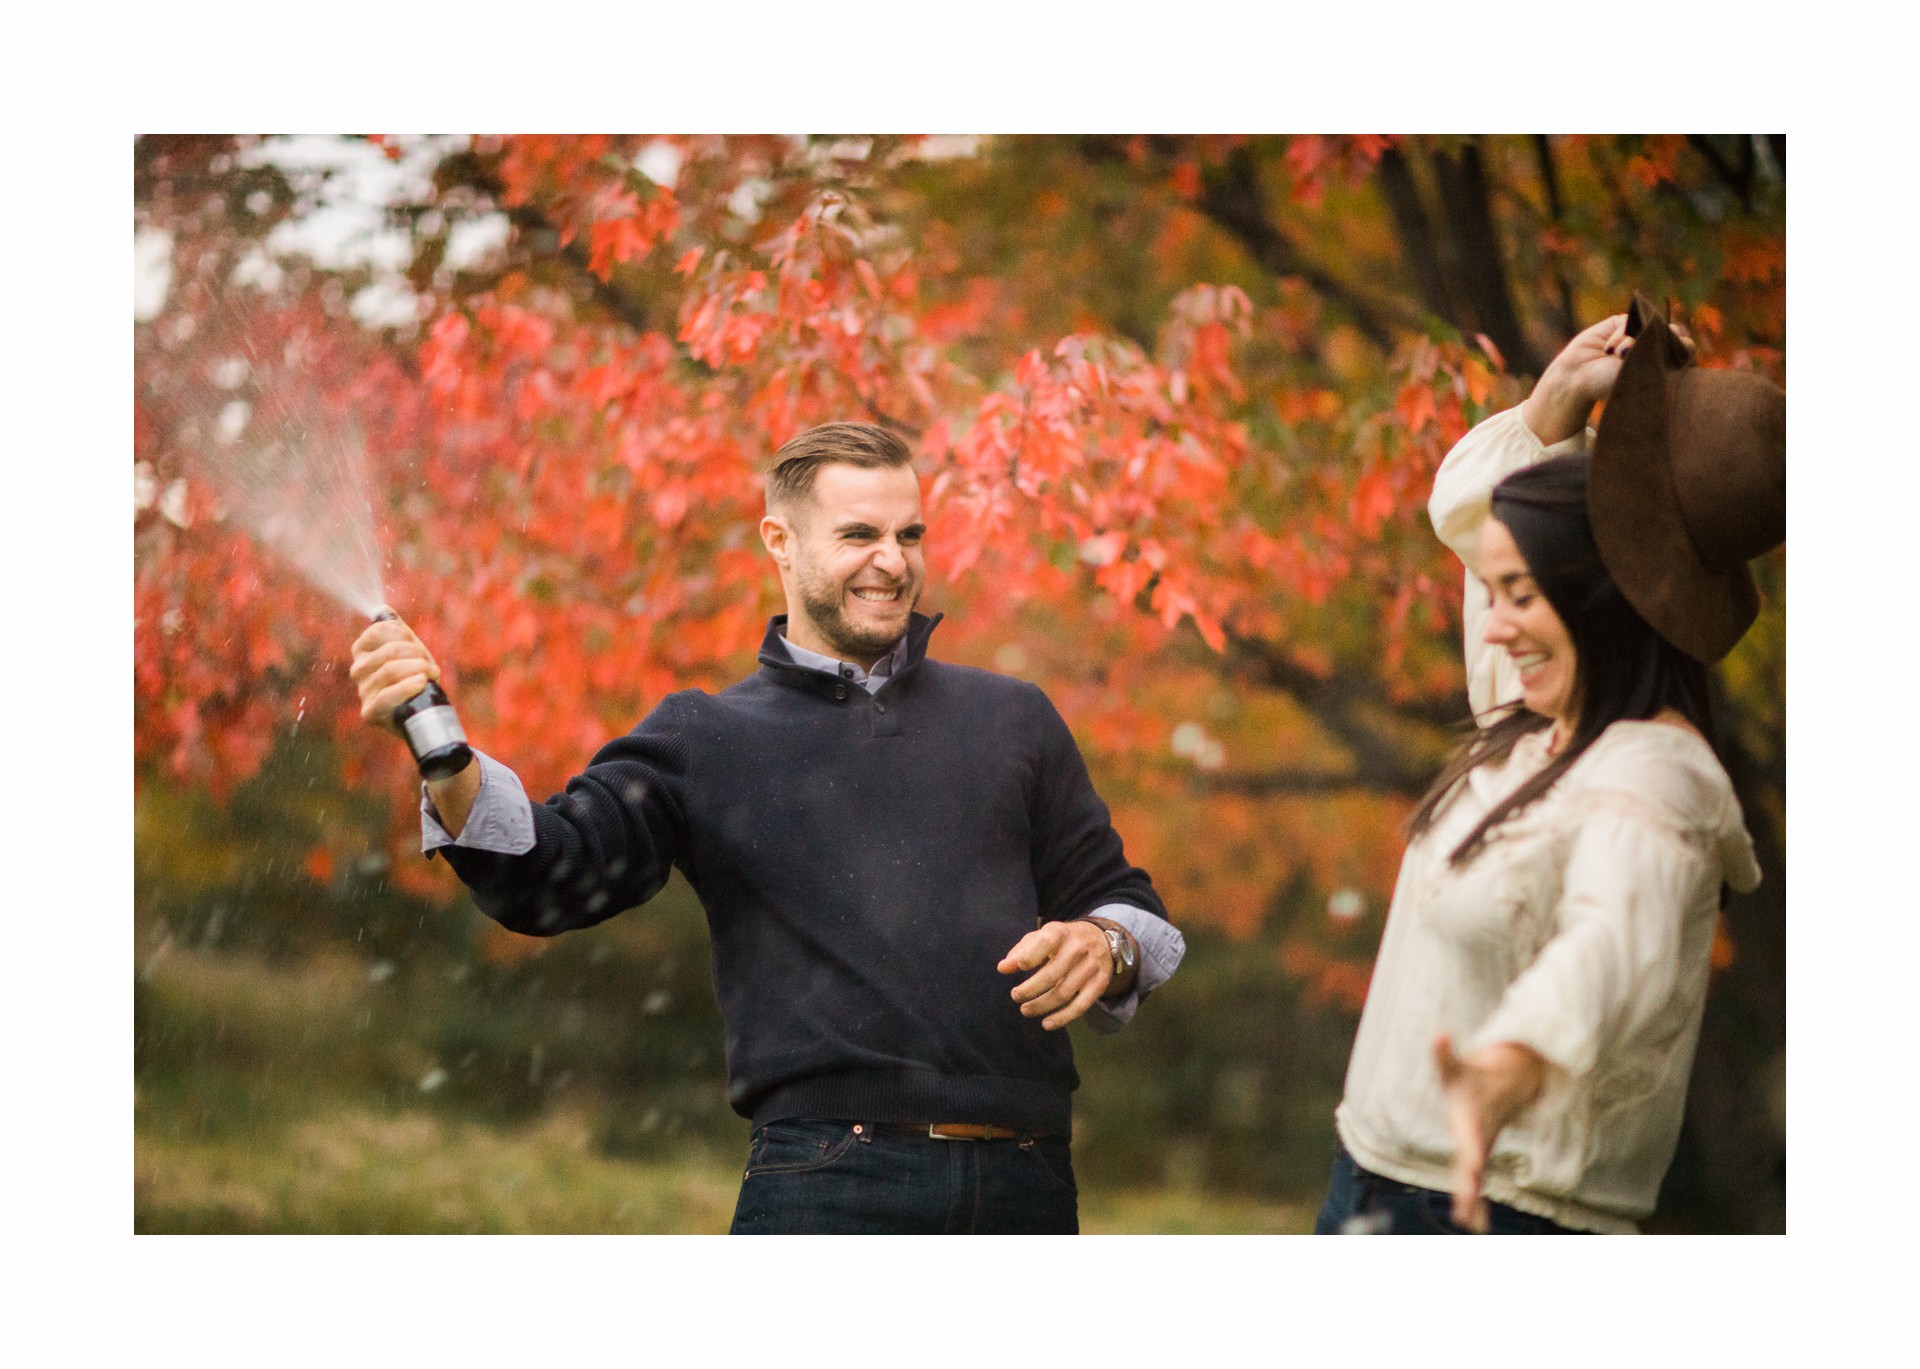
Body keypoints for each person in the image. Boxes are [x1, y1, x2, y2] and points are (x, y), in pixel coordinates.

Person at [350, 421, 1183, 1234]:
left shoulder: (1015, 718)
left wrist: (1107, 945)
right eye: (859, 534)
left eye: (909, 534)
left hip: (1028, 1183)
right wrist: (441, 748)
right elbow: (547, 875)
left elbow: (1129, 902)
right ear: (778, 541)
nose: (893, 563)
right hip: (826, 1183)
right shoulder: (704, 738)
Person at [1314, 298, 1783, 1234]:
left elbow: (1611, 945)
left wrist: (1512, 1061)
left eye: (1519, 594)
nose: (1488, 626)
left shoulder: (1657, 779)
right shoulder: (1538, 721)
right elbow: (1477, 518)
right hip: (1380, 1182)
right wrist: (1557, 401)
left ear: (1596, 596)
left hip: (1494, 1215)